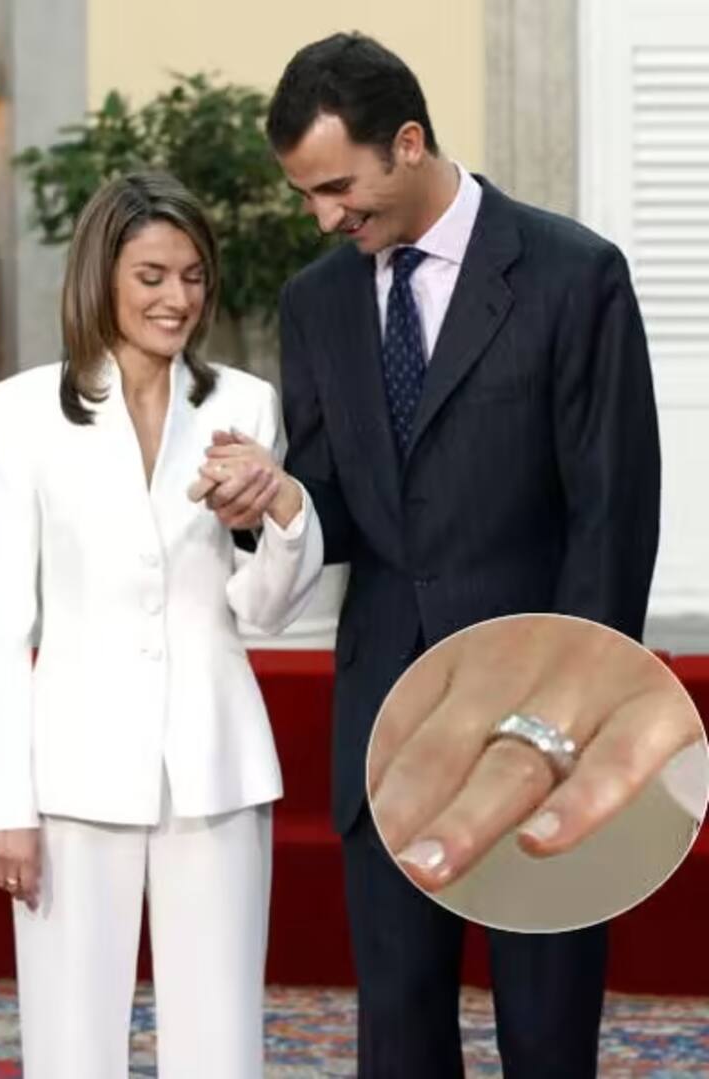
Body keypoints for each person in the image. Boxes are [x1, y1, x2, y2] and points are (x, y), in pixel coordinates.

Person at [203, 32, 660, 1079]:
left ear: (407, 142)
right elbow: (334, 497)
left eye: (337, 188)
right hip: (387, 726)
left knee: (546, 1038)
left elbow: (612, 516)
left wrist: (559, 723)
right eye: (305, 195)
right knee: (399, 1038)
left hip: (538, 724)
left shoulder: (573, 274)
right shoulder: (315, 301)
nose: (323, 217)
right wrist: (272, 497)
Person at [0, 171, 323, 1079]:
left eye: (195, 276)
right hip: (70, 771)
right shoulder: (18, 412)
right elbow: (5, 621)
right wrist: (5, 805)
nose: (179, 298)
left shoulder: (245, 403)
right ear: (102, 276)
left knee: (220, 1046)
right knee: (69, 1045)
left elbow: (265, 608)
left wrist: (285, 508)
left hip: (214, 761)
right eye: (153, 275)